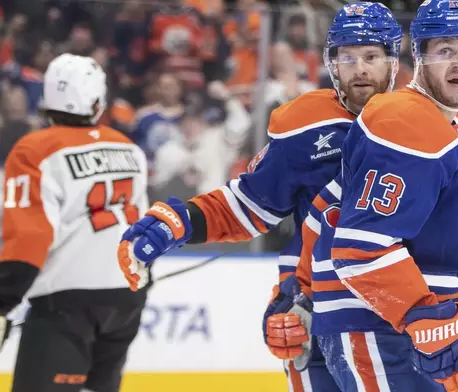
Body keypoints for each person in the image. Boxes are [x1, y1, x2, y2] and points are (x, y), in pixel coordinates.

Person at [117, 3, 403, 390]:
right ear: (331, 63)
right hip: (316, 309)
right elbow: (248, 205)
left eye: (371, 57)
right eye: (347, 57)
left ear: (394, 61)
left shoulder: (425, 126)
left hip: (398, 313)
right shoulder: (306, 126)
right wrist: (180, 222)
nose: (360, 69)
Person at [266, 1, 458, 391]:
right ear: (417, 57)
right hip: (386, 329)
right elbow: (360, 247)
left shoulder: (456, 128)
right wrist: (423, 316)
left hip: (429, 327)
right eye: (445, 52)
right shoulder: (403, 120)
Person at [0, 53, 149, 392]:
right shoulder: (128, 148)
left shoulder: (34, 150)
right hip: (126, 301)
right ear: (98, 101)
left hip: (67, 304)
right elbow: (142, 227)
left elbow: (30, 237)